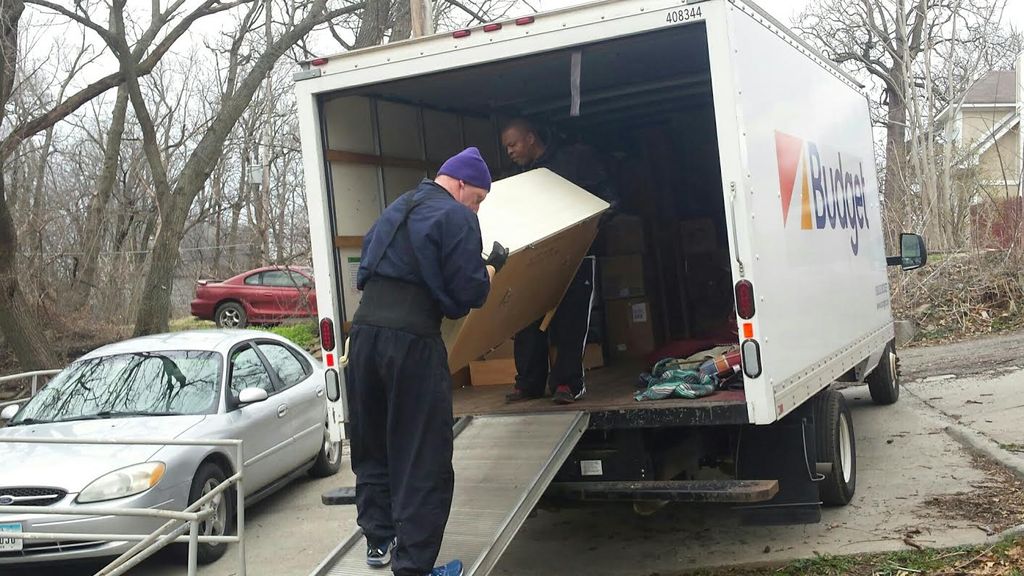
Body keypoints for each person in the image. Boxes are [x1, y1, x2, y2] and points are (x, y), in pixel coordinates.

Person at [347, 147, 507, 576]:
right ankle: (415, 568)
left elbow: (366, 270)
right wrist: (493, 267)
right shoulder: (457, 217)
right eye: (478, 199)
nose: (476, 208)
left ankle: (378, 539)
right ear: (460, 184)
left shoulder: (396, 208)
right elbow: (468, 294)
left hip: (363, 337)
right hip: (412, 342)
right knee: (422, 454)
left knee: (372, 443)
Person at [500, 118, 619, 405]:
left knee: (570, 320)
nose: (510, 152)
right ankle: (529, 384)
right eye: (506, 148)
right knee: (526, 320)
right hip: (534, 258)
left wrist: (585, 231)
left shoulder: (574, 159)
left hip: (575, 255)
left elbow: (609, 201)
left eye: (513, 145)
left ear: (530, 138)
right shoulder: (518, 176)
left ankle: (568, 384)